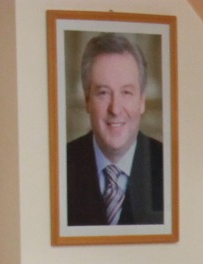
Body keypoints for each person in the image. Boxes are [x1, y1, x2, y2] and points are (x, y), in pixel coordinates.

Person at [64, 33, 164, 226]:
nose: (115, 109)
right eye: (103, 93)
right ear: (87, 100)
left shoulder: (169, 166)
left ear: (142, 101)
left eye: (126, 92)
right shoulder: (60, 166)